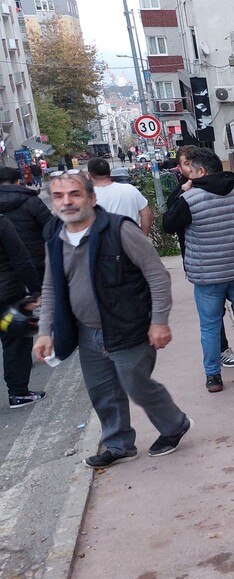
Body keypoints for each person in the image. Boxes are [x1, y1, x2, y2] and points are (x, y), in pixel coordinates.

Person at [33, 172, 192, 468]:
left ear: (92, 199)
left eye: (75, 194)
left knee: (136, 385)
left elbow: (157, 275)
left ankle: (174, 425)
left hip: (127, 326)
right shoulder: (54, 235)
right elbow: (50, 286)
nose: (67, 202)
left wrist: (159, 321)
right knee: (102, 390)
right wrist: (45, 332)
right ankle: (118, 444)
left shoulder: (120, 230)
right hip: (86, 332)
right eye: (58, 196)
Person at [162, 148, 234, 394]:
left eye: (192, 171)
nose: (189, 176)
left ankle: (213, 378)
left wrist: (183, 193)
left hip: (208, 275)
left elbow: (168, 225)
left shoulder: (191, 198)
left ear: (201, 171)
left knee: (210, 326)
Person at [0, 213, 45, 408]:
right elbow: (20, 258)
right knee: (15, 342)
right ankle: (18, 393)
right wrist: (36, 290)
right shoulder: (1, 222)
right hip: (7, 293)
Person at [0, 166, 53, 278]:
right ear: (18, 181)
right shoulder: (31, 201)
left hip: (6, 268)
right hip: (36, 261)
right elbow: (51, 229)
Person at [88, 158, 152, 235]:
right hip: (131, 239)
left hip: (103, 243)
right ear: (110, 172)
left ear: (89, 175)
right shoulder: (130, 189)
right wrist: (143, 237)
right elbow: (147, 214)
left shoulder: (88, 196)